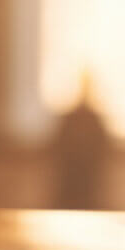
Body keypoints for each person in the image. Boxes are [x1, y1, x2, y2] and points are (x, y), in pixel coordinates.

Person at [50, 72, 113, 210]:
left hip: (90, 185)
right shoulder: (70, 118)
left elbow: (102, 149)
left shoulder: (94, 119)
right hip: (69, 185)